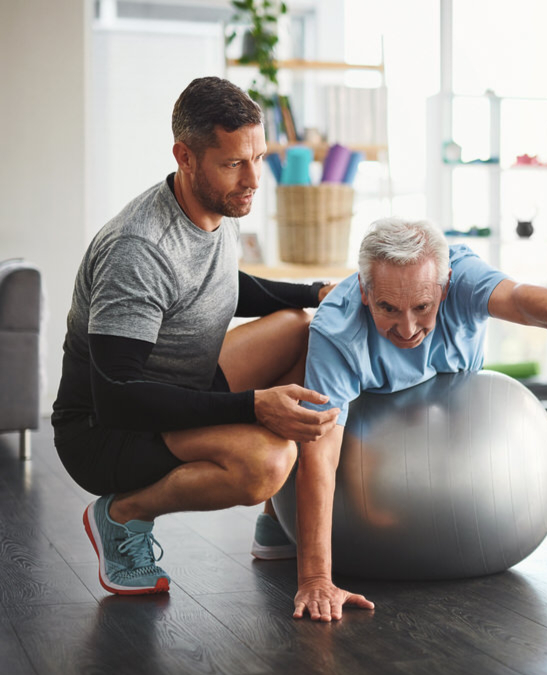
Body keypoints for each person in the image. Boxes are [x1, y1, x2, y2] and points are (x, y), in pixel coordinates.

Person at [51, 76, 342, 596]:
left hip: (182, 388)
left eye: (258, 157)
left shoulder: (220, 200)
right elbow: (118, 398)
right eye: (234, 163)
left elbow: (222, 285)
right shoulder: (137, 248)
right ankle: (121, 515)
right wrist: (253, 406)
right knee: (266, 462)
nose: (253, 179)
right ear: (185, 157)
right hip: (108, 430)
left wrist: (315, 291)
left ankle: (279, 513)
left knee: (302, 328)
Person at [284, 218, 547, 621]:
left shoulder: (461, 275)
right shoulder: (336, 328)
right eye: (388, 308)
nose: (408, 328)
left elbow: (516, 298)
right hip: (370, 432)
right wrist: (315, 579)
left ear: (444, 286)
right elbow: (319, 455)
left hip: (453, 426)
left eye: (423, 307)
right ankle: (275, 517)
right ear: (364, 291)